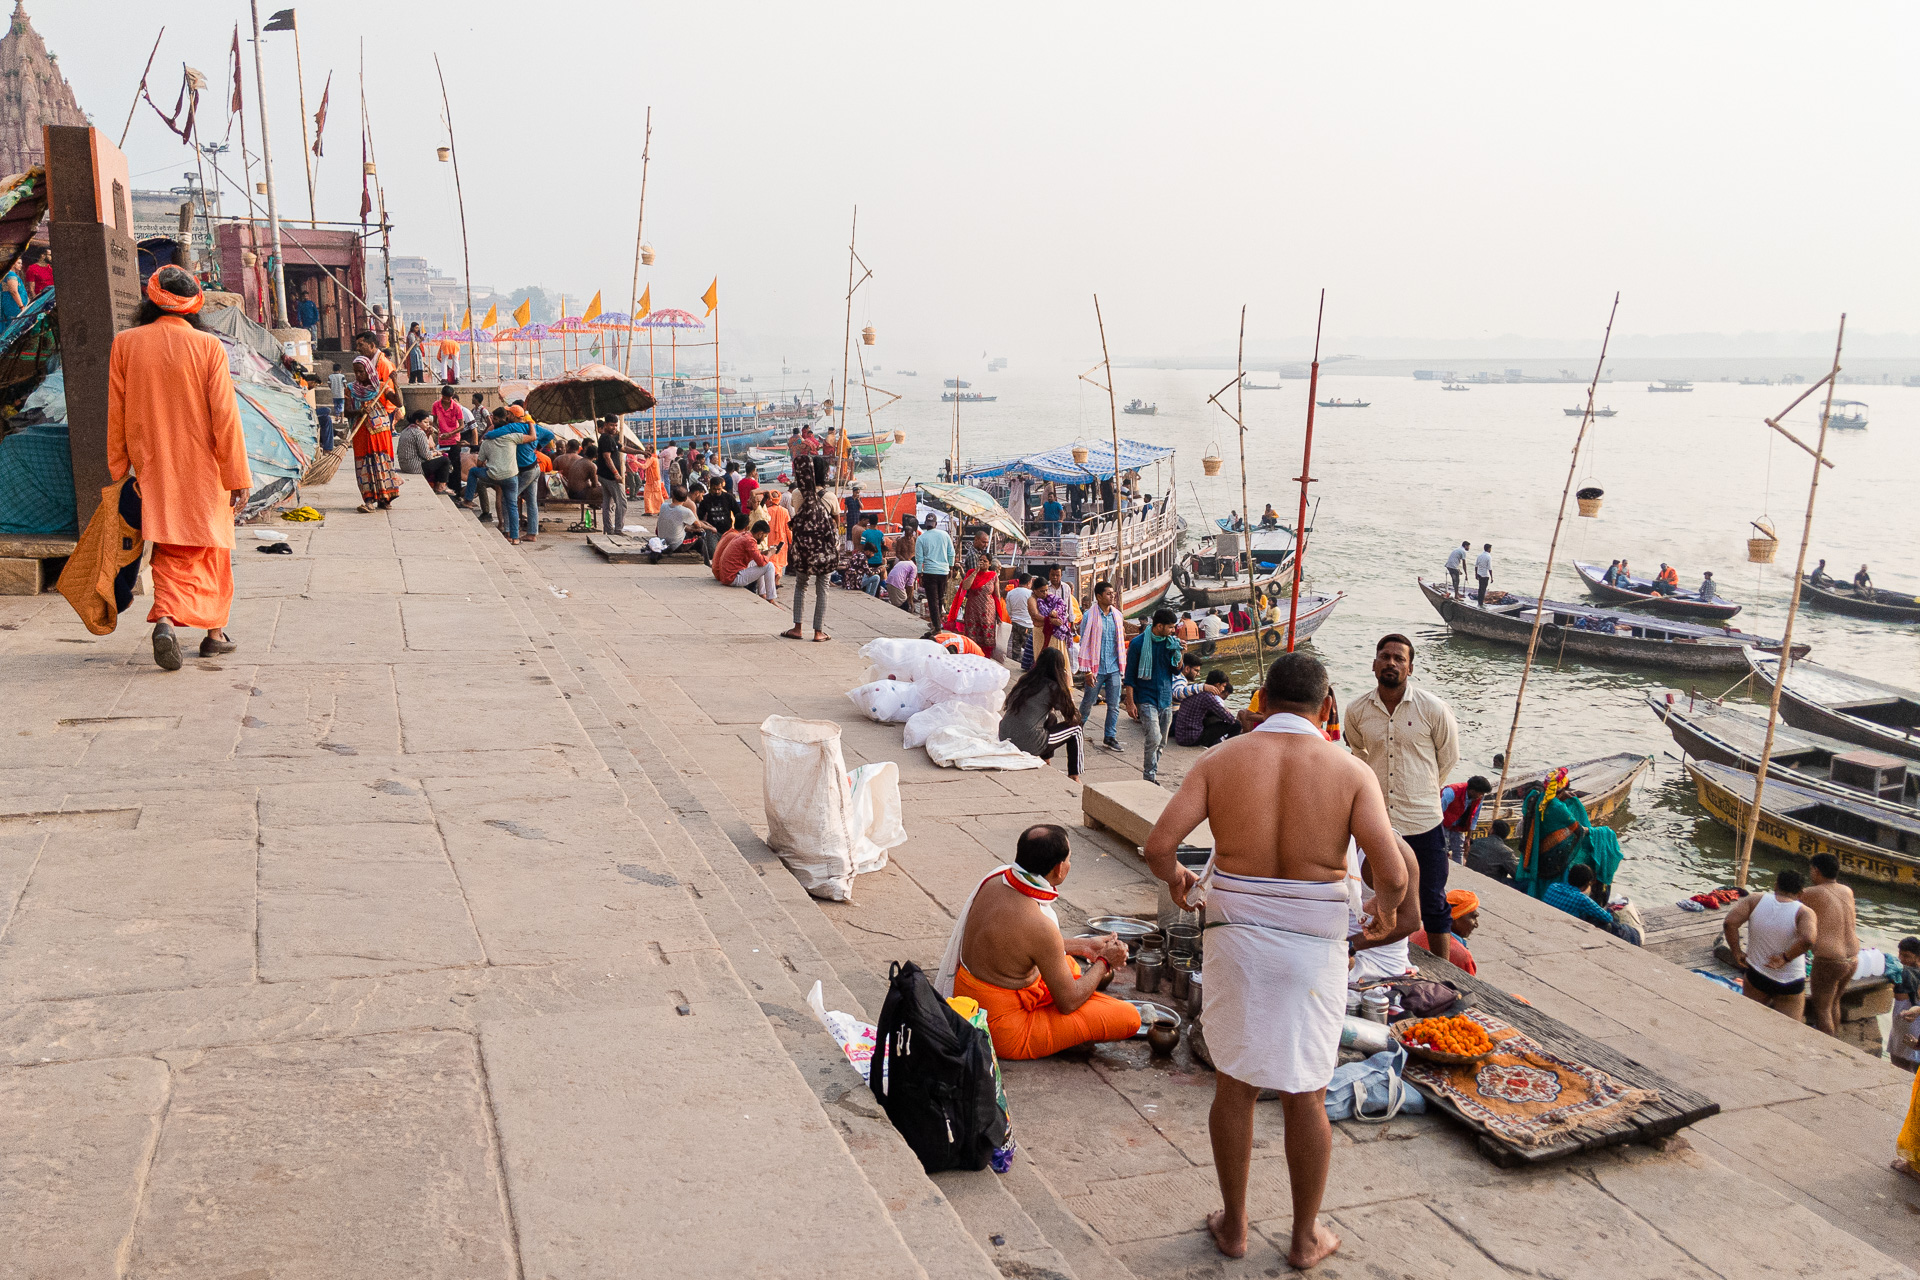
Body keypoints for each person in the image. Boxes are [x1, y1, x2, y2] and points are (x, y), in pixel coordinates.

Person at [1142, 651, 1410, 1270]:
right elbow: (1393, 875)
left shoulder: (1221, 760)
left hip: (1236, 940)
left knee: (1234, 1084)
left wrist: (1180, 880)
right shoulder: (1350, 771)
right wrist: (1386, 912)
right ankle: (1304, 1237)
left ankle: (1234, 1226)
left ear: (1261, 700)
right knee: (1307, 1092)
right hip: (1313, 950)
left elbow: (1159, 847)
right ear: (1326, 706)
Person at [105, 267, 251, 670]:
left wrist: (118, 469)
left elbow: (116, 411)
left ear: (150, 299)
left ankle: (175, 622)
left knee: (170, 547)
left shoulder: (125, 343)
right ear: (193, 306)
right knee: (213, 547)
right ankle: (207, 632)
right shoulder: (208, 346)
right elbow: (225, 417)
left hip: (153, 470)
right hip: (205, 470)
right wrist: (238, 476)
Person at [937, 824, 1138, 1059]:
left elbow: (1021, 942)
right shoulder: (1040, 925)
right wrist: (1105, 962)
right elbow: (1068, 1002)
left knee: (1070, 966)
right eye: (1069, 860)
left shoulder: (997, 878)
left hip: (970, 992)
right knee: (1128, 1017)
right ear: (1059, 869)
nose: (1069, 865)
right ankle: (1064, 1036)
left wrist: (1084, 946)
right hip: (1002, 1029)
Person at [1344, 634, 1463, 976]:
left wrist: (1422, 789)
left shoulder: (1433, 708)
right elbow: (1358, 755)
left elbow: (1448, 758)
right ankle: (1386, 953)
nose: (1391, 663)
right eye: (1385, 656)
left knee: (1433, 899)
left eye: (1399, 658)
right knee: (1371, 892)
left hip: (1422, 819)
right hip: (1377, 819)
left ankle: (1443, 973)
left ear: (1410, 668)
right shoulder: (1357, 710)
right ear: (1374, 664)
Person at [1513, 766, 1624, 902]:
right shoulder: (1558, 807)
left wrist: (1562, 796)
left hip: (1536, 854)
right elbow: (1579, 830)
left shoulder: (1534, 798)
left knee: (1539, 883)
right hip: (1552, 859)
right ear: (1562, 790)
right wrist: (1601, 832)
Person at [1723, 869, 1816, 1021]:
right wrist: (1785, 958)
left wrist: (1737, 951)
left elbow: (1729, 923)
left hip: (1757, 973)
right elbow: (1808, 939)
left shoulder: (1755, 900)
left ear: (1775, 885)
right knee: (1788, 1028)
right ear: (1800, 893)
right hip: (1789, 980)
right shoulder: (1804, 912)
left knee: (1748, 1021)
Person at [1000, 648, 1083, 780]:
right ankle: (1074, 776)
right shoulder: (1053, 687)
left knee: (1051, 718)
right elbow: (1073, 717)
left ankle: (1046, 760)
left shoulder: (1026, 680)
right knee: (1076, 729)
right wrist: (1066, 689)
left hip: (1004, 735)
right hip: (1026, 742)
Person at [1123, 608, 1184, 781]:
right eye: (1170, 627)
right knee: (1154, 737)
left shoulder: (1171, 643)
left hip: (1165, 697)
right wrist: (1130, 702)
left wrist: (1181, 652)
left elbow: (1176, 670)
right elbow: (1130, 676)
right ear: (1159, 626)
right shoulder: (1138, 644)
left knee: (1162, 741)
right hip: (1145, 697)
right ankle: (1149, 776)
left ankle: (1152, 771)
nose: (1173, 630)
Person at [1802, 853, 1860, 1037]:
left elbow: (1787, 904)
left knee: (1822, 1009)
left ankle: (1827, 1047)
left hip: (1830, 959)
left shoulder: (1811, 893)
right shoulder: (1847, 891)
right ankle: (1836, 1041)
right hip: (1853, 958)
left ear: (1816, 870)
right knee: (1834, 1002)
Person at [783, 456, 839, 642]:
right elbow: (836, 522)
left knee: (801, 585)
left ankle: (797, 628)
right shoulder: (830, 497)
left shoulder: (797, 494)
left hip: (803, 549)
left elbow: (797, 513)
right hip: (825, 551)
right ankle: (818, 632)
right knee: (822, 588)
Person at [344, 356, 401, 513]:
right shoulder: (350, 389)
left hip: (381, 432)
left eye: (361, 372)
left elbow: (399, 403)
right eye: (355, 372)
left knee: (382, 463)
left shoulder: (381, 387)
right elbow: (346, 412)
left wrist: (395, 382)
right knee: (364, 466)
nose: (358, 375)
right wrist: (360, 411)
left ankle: (385, 498)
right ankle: (369, 500)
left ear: (369, 371)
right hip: (361, 432)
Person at [1076, 581, 1125, 752]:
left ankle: (1110, 736)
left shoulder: (1117, 615)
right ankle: (1076, 729)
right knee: (1088, 702)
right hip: (1096, 668)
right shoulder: (1089, 616)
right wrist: (1087, 671)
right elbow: (1084, 643)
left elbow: (1120, 641)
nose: (1112, 596)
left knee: (1114, 705)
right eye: (1108, 594)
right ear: (1099, 597)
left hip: (1114, 667)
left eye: (1113, 594)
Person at [945, 530, 1002, 659]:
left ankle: (986, 658)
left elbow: (997, 595)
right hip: (973, 608)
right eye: (980, 560)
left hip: (988, 610)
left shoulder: (993, 576)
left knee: (987, 635)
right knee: (972, 634)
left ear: (989, 564)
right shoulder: (972, 571)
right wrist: (976, 571)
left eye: (985, 561)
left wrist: (999, 613)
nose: (982, 563)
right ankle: (972, 656)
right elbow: (966, 587)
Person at [1545, 865, 1639, 943]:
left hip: (1550, 922)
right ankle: (1635, 937)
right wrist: (1609, 910)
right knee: (1612, 925)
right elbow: (1607, 918)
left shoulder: (1553, 887)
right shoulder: (1582, 899)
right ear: (1586, 884)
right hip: (1565, 929)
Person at [1409, 890, 1480, 974]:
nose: (1476, 924)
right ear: (1456, 917)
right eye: (1473, 917)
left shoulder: (1421, 930)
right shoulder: (1462, 955)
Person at [712, 518, 780, 603]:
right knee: (769, 565)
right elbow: (761, 562)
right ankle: (771, 599)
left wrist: (766, 552)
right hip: (732, 578)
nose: (763, 539)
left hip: (726, 576)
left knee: (761, 562)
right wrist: (770, 554)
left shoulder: (744, 535)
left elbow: (755, 556)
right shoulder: (749, 540)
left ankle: (763, 593)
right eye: (764, 536)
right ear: (760, 534)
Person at [1171, 668, 1239, 748]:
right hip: (1191, 738)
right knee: (1237, 725)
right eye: (1223, 686)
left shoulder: (1196, 689)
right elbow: (1229, 718)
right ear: (1217, 685)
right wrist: (1230, 715)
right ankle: (1227, 749)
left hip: (1180, 735)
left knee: (1214, 718)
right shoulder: (1207, 696)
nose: (1223, 689)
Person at [395, 409, 453, 492]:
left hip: (404, 466)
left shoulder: (405, 430)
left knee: (439, 459)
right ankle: (441, 487)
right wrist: (437, 453)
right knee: (445, 460)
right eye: (425, 422)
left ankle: (436, 485)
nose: (428, 425)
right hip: (414, 467)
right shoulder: (419, 433)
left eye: (428, 423)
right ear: (417, 422)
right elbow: (427, 456)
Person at [913, 513, 955, 625]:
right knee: (940, 598)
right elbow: (951, 553)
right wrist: (950, 568)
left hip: (930, 572)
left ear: (926, 524)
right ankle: (937, 622)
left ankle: (936, 626)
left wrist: (919, 574)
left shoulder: (921, 538)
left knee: (932, 600)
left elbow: (919, 559)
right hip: (943, 572)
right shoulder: (945, 535)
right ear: (935, 524)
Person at [650, 486, 710, 562]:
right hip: (675, 545)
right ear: (685, 499)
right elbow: (698, 525)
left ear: (672, 496)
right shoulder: (685, 511)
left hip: (662, 542)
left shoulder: (663, 506)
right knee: (700, 539)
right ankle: (706, 563)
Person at [1439, 776, 1491, 863]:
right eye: (1480, 793)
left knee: (1459, 850)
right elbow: (1438, 812)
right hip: (1444, 823)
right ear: (1472, 791)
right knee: (1443, 848)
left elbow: (1474, 817)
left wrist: (1468, 837)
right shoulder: (1451, 792)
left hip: (1459, 825)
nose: (1481, 796)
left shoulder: (1479, 798)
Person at [430, 386, 471, 489]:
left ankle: (456, 489)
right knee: (443, 464)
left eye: (449, 398)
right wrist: (437, 430)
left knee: (456, 465)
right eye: (445, 398)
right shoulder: (436, 405)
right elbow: (434, 422)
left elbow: (462, 426)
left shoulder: (456, 407)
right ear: (442, 395)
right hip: (442, 439)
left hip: (454, 440)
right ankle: (442, 485)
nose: (447, 400)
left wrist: (450, 434)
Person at [1889, 937, 1920, 1071]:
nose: (1901, 959)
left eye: (1906, 956)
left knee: (1911, 1070)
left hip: (1914, 1033)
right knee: (1896, 1067)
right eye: (1900, 954)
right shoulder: (1901, 972)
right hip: (1899, 1030)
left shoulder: (1907, 973)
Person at [595, 418, 627, 534]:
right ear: (606, 425)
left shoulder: (610, 438)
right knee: (622, 503)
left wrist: (641, 452)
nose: (614, 428)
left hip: (604, 475)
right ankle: (618, 529)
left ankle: (608, 528)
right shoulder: (606, 439)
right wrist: (616, 473)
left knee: (607, 504)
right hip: (609, 476)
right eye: (612, 425)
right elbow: (607, 457)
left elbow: (623, 448)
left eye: (616, 425)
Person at [1005, 573, 1034, 667]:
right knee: (1029, 649)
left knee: (1016, 648)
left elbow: (1008, 609)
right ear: (1029, 582)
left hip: (1015, 623)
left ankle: (1016, 666)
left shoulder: (1011, 593)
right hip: (1027, 624)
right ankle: (1029, 666)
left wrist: (1013, 617)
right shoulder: (1030, 594)